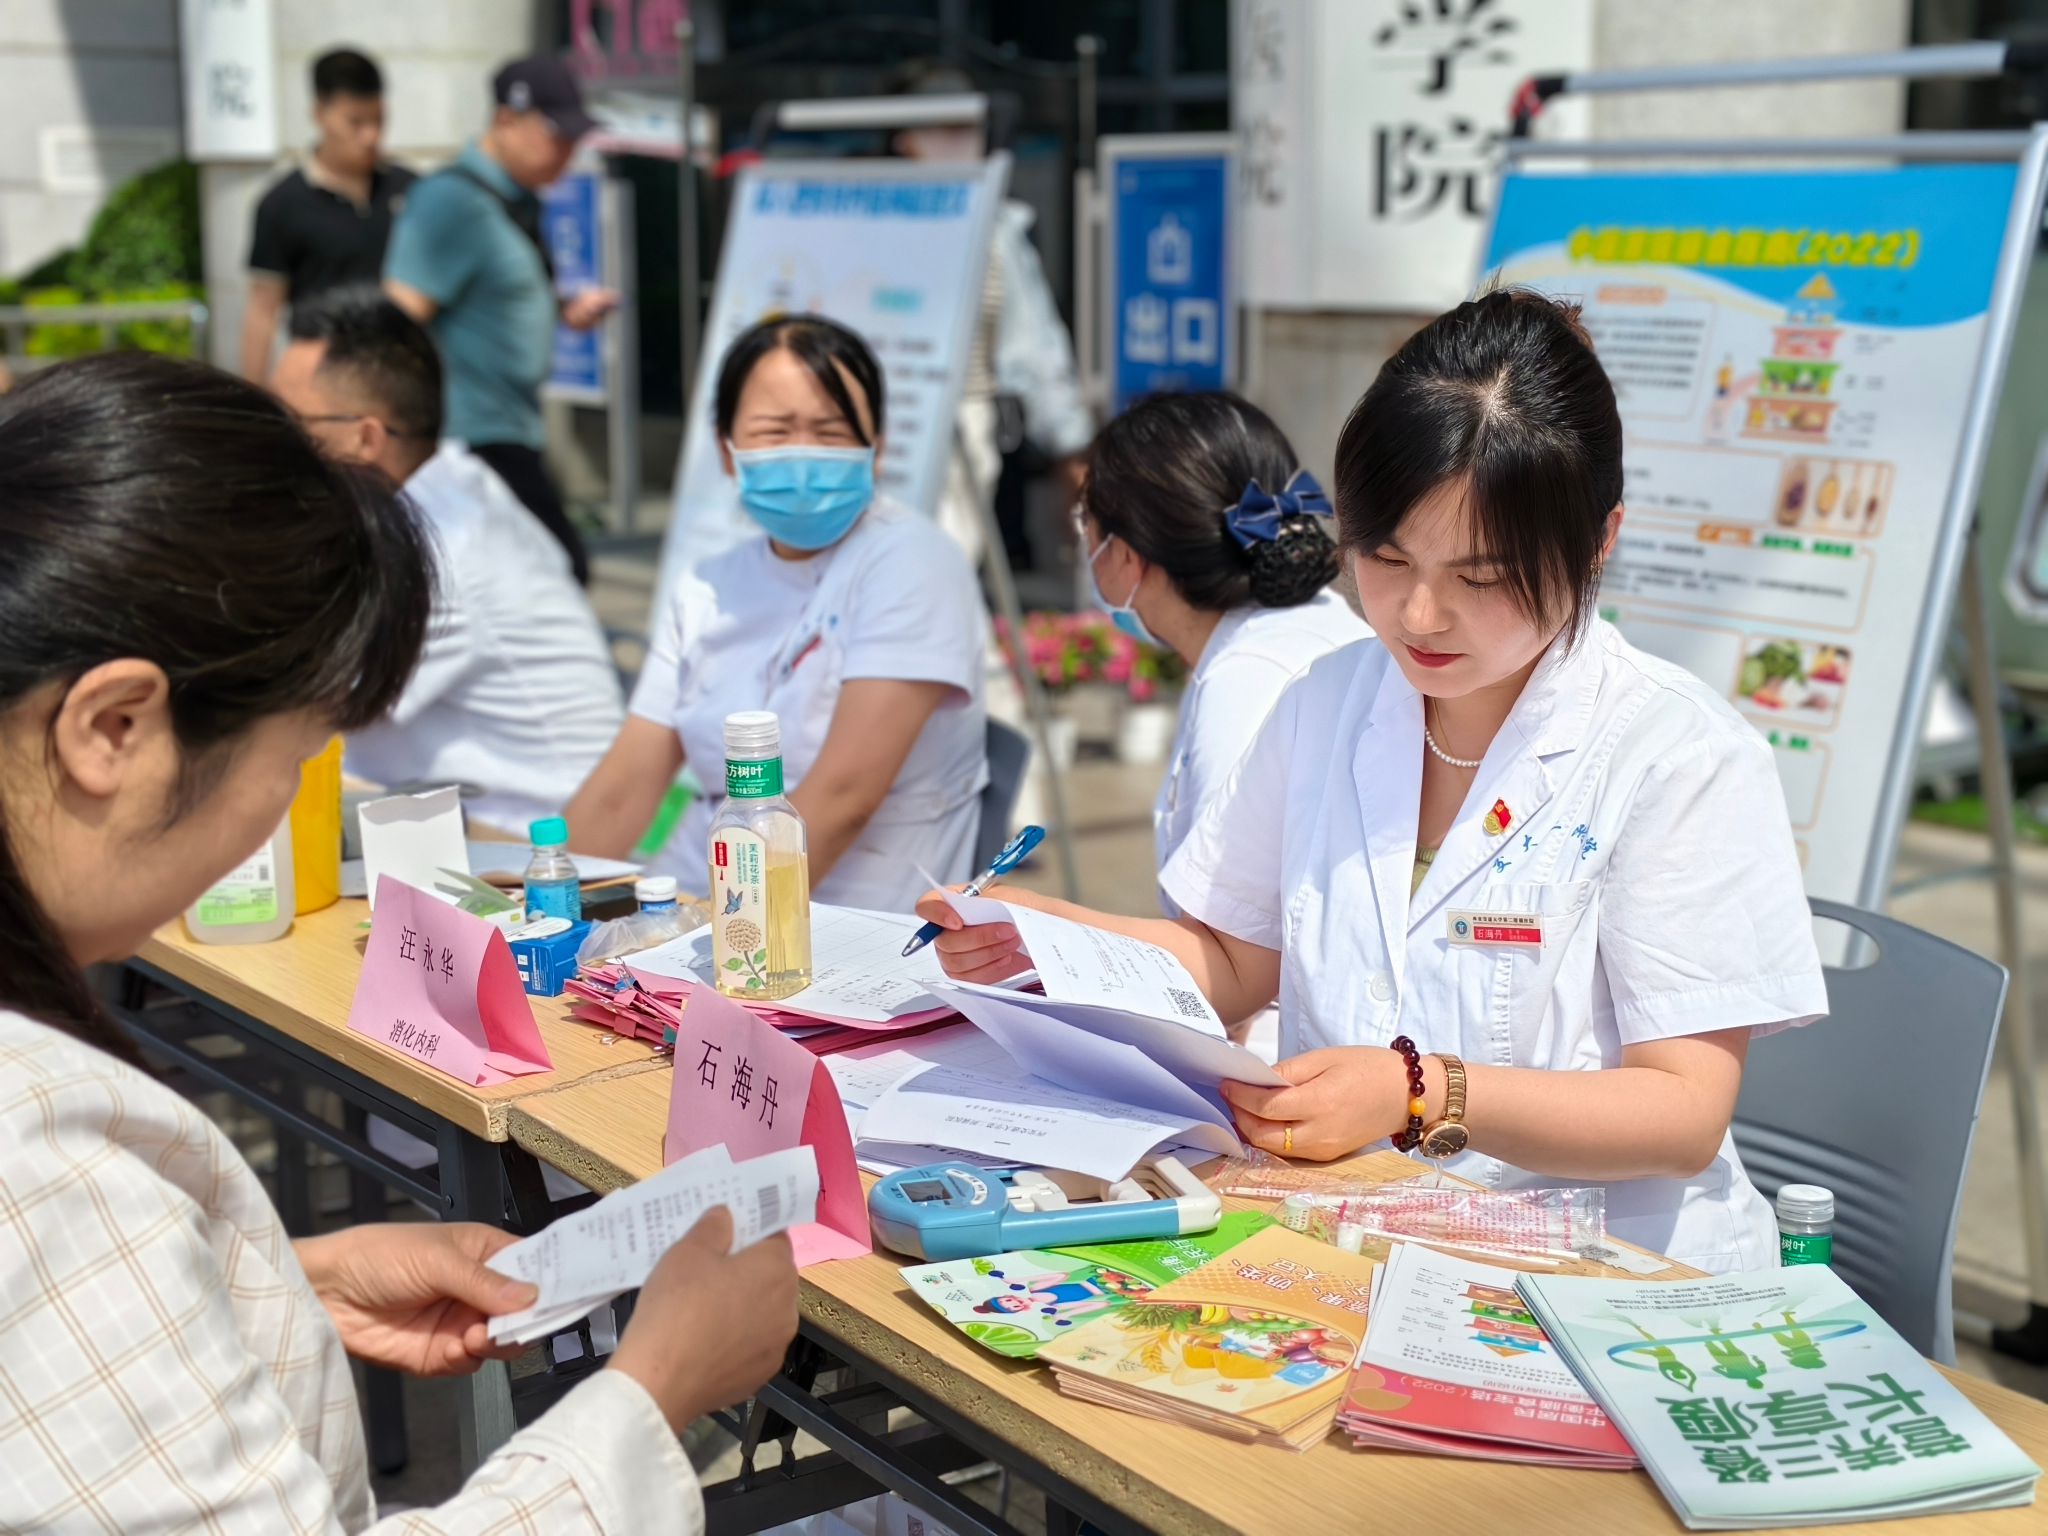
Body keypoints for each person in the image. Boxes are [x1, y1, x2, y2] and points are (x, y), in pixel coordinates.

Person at [0, 351, 797, 1532]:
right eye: (302, 747)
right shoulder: (52, 1166)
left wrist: (280, 1285)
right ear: (114, 729)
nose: (290, 803)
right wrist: (655, 1386)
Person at [916, 289, 1827, 1274]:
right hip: (1355, 1236)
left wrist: (1420, 1094)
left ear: (1597, 540)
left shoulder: (1674, 754)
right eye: (1384, 558)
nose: (1419, 615)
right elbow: (1233, 963)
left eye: (1480, 577)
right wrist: (1047, 939)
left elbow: (1680, 1110)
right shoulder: (1328, 699)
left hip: (1602, 1270)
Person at [568, 315, 989, 909]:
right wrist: (542, 909)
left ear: (877, 448)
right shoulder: (706, 583)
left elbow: (845, 797)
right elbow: (626, 787)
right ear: (727, 449)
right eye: (774, 430)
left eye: (830, 430)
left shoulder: (913, 561)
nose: (803, 453)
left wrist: (726, 937)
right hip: (699, 907)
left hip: (847, 935)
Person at [1077, 392, 1367, 1061]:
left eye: (1085, 523)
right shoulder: (1307, 626)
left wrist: (1026, 922)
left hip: (1280, 1067)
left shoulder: (1249, 677)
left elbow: (1225, 968)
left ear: (1124, 555)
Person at [272, 285, 623, 831]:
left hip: (535, 854)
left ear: (366, 438)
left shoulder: (445, 553)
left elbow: (300, 710)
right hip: (455, 826)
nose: (276, 448)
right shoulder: (443, 488)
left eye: (293, 427)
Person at [384, 54, 617, 585]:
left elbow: (492, 294)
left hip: (510, 429)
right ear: (506, 121)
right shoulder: (450, 200)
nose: (567, 152)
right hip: (469, 439)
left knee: (527, 580)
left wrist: (564, 310)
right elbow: (396, 323)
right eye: (556, 135)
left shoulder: (517, 201)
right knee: (560, 572)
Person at [240, 49, 416, 383]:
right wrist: (253, 406)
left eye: (378, 121)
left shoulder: (410, 189)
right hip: (323, 379)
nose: (371, 136)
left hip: (402, 375)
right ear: (320, 113)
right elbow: (262, 311)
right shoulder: (282, 203)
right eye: (356, 122)